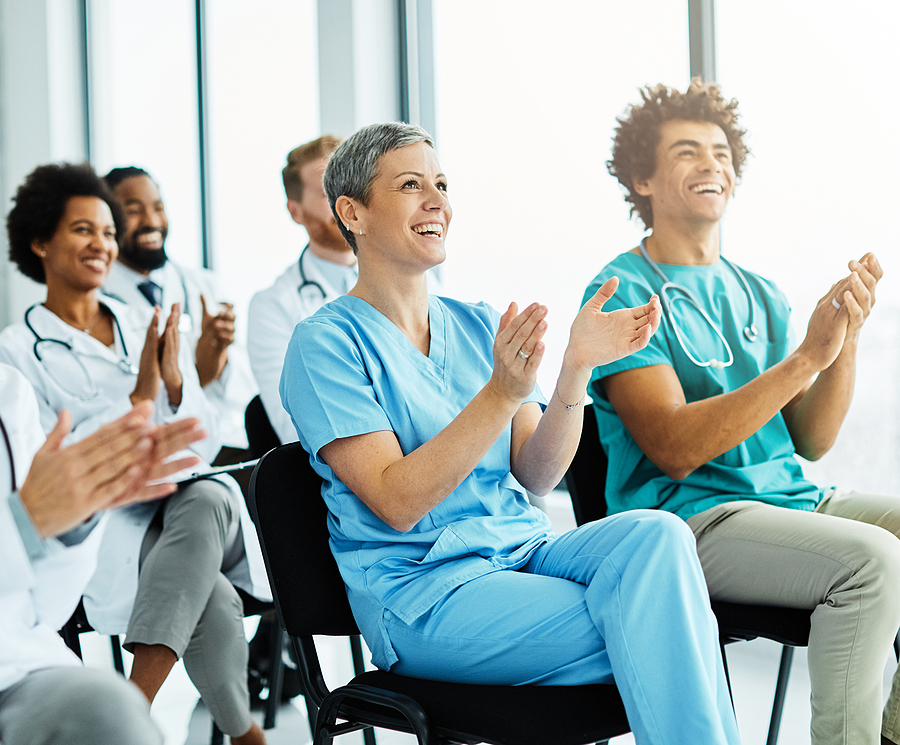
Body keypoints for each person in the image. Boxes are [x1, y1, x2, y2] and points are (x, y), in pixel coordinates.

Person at [280, 122, 740, 745]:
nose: (437, 200)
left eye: (441, 184)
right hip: (426, 594)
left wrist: (575, 368)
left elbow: (538, 473)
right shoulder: (326, 344)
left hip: (525, 555)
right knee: (667, 622)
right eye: (411, 185)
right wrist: (501, 392)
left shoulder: (474, 325)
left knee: (659, 536)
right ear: (351, 212)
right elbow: (397, 500)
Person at [583, 79, 900, 745]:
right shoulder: (622, 290)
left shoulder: (757, 290)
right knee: (874, 560)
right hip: (691, 520)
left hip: (791, 501)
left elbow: (810, 440)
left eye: (723, 154)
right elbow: (671, 445)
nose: (712, 165)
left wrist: (841, 340)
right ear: (641, 178)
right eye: (688, 152)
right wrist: (804, 359)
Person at [0, 163, 270, 745]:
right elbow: (53, 473)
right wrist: (140, 401)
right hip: (106, 530)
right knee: (210, 592)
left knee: (205, 495)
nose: (101, 243)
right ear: (40, 242)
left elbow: (196, 436)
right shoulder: (17, 355)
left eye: (106, 230)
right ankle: (243, 733)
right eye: (82, 230)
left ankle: (134, 713)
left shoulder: (141, 325)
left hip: (183, 502)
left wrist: (176, 382)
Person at [0, 361, 205, 745]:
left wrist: (73, 519)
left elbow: (46, 608)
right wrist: (23, 523)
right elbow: (22, 524)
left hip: (18, 665)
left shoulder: (9, 391)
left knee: (108, 713)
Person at [102, 166, 256, 455]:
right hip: (146, 452)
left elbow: (245, 389)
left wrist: (218, 363)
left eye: (158, 207)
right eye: (133, 211)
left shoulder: (205, 285)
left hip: (222, 442)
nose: (151, 221)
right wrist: (196, 375)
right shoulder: (98, 301)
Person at [247, 135, 357, 444]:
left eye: (352, 186)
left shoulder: (412, 279)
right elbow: (294, 426)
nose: (346, 203)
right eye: (328, 193)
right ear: (295, 211)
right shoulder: (272, 306)